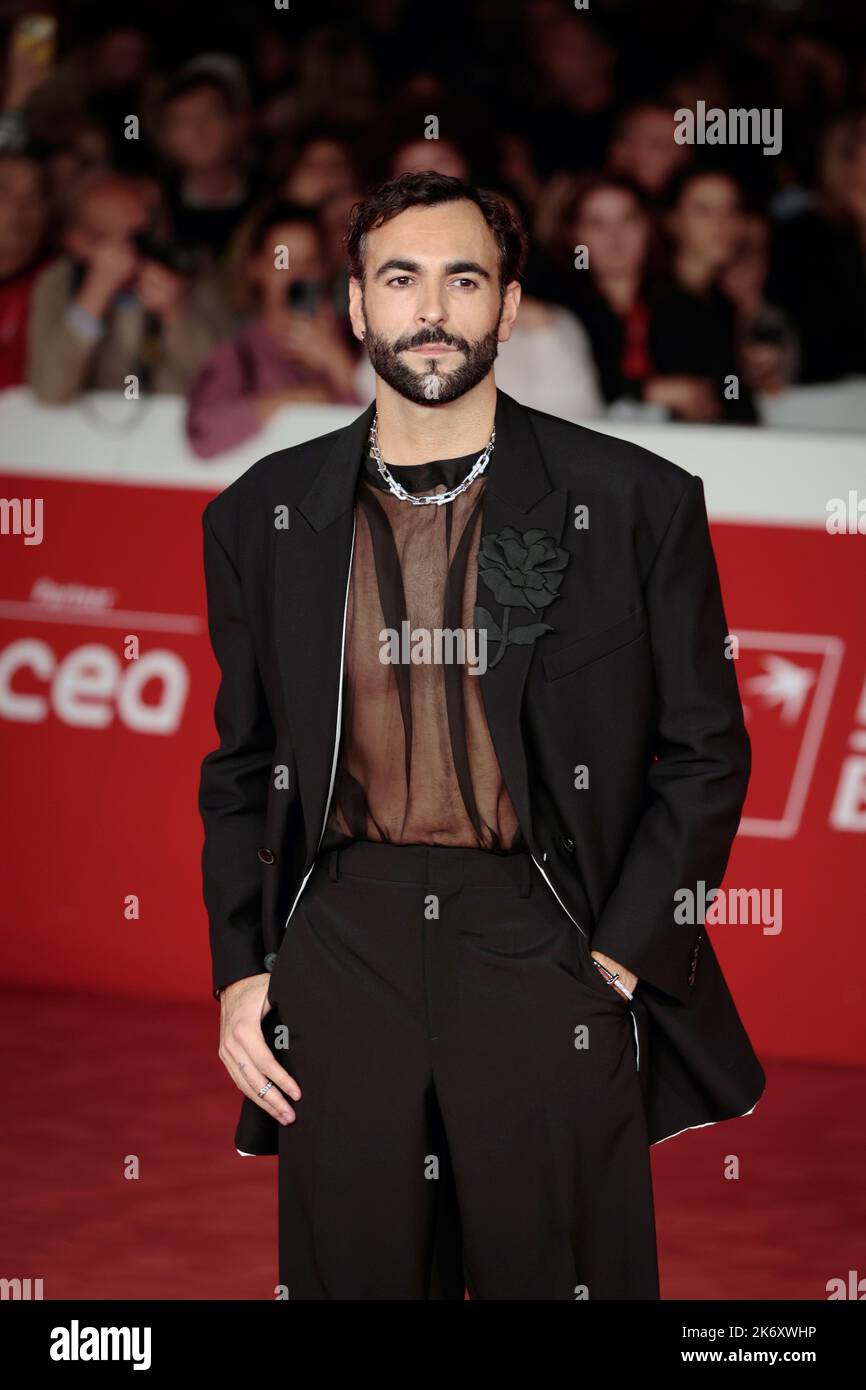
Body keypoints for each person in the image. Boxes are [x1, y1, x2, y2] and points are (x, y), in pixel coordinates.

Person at [199, 171, 765, 1300]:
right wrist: (241, 970)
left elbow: (706, 748)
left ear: (507, 310)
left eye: (464, 279)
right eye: (398, 278)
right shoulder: (262, 514)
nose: (430, 309)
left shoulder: (635, 500)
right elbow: (241, 763)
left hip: (544, 935)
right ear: (355, 306)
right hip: (342, 940)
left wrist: (618, 950)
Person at [27, 170, 232, 403]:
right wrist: (94, 295)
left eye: (141, 235)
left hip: (177, 427)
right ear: (77, 241)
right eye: (114, 239)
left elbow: (224, 378)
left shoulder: (190, 266)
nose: (134, 252)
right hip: (87, 436)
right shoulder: (57, 282)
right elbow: (50, 391)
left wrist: (174, 314)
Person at [186, 199, 362, 458]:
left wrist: (337, 362)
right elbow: (202, 433)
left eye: (309, 261)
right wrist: (291, 402)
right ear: (256, 268)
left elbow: (392, 432)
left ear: (324, 269)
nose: (297, 274)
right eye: (282, 261)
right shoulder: (238, 352)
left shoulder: (358, 337)